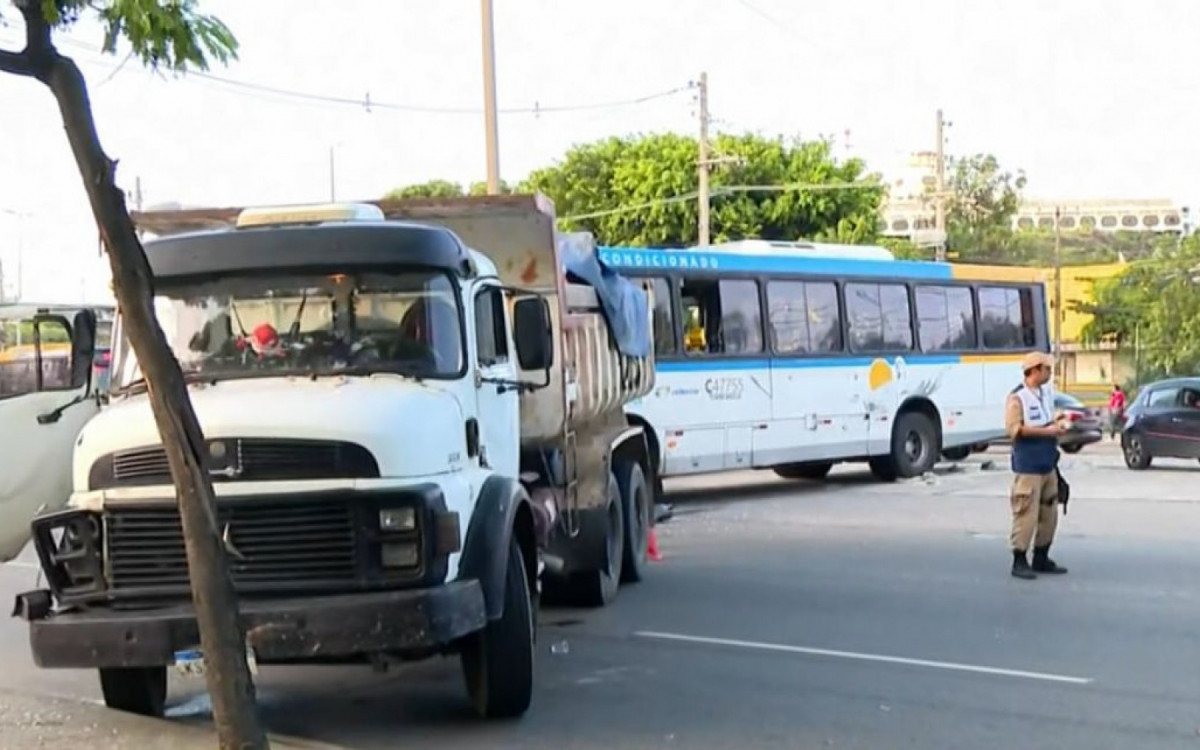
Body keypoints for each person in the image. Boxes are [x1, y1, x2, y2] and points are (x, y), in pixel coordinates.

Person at [1005, 351, 1069, 580]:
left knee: (1049, 512)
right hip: (1028, 465)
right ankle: (1019, 560)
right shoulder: (1017, 398)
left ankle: (1041, 556)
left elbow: (1045, 420)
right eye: (1046, 369)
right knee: (1026, 514)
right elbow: (1015, 430)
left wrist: (1057, 423)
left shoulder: (1044, 394)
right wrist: (1046, 431)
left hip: (1047, 462)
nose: (1049, 374)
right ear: (1034, 370)